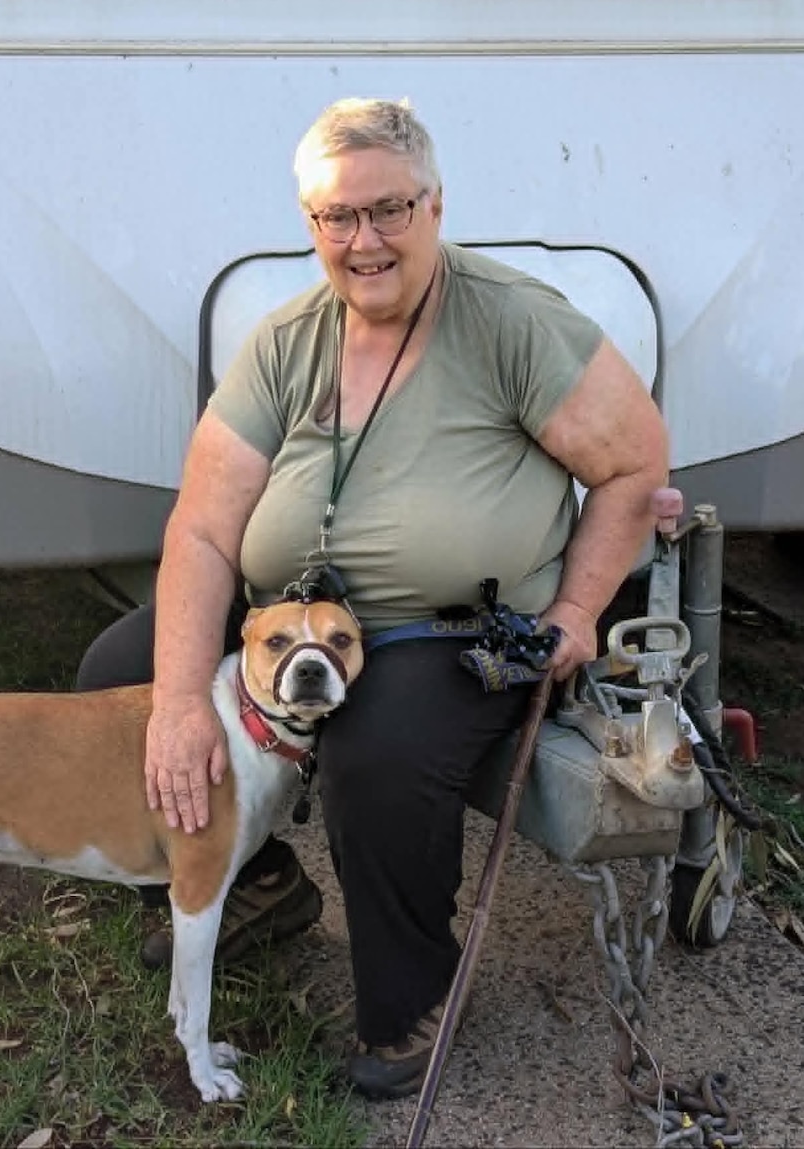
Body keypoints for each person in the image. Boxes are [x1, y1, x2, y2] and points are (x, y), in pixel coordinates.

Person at [77, 96, 668, 1100]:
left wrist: (573, 616)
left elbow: (633, 466)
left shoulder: (511, 323)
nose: (365, 241)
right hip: (292, 618)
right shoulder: (283, 341)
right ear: (310, 227)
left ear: (434, 204)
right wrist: (181, 698)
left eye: (388, 210)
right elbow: (207, 527)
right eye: (336, 219)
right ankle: (251, 877)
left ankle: (411, 1001)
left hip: (454, 631)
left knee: (377, 754)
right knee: (124, 673)